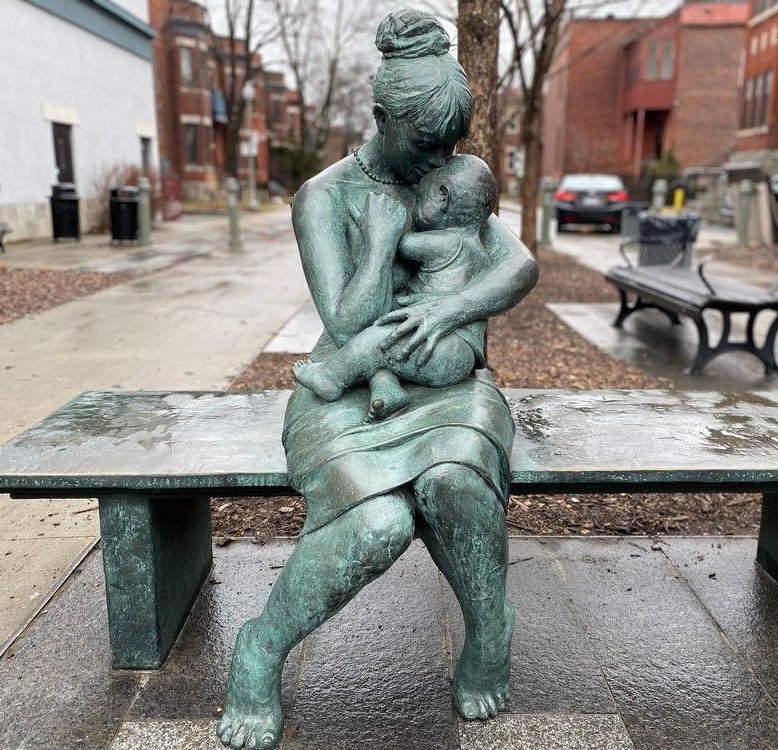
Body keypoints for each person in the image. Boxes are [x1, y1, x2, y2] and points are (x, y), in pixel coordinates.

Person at [218, 10, 538, 750]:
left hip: (450, 385)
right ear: (383, 117)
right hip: (356, 388)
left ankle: (491, 627)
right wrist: (387, 246)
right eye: (425, 144)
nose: (438, 163)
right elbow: (347, 322)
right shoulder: (325, 199)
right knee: (378, 523)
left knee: (455, 483)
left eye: (450, 147)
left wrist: (453, 306)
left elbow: (518, 262)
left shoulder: (456, 184)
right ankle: (261, 647)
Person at [291, 153, 498, 421]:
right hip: (457, 351)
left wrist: (378, 227)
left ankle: (331, 377)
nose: (414, 207)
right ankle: (387, 390)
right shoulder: (476, 246)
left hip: (445, 349)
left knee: (376, 342)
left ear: (444, 197)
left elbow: (398, 244)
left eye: (420, 199)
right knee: (387, 350)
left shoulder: (449, 243)